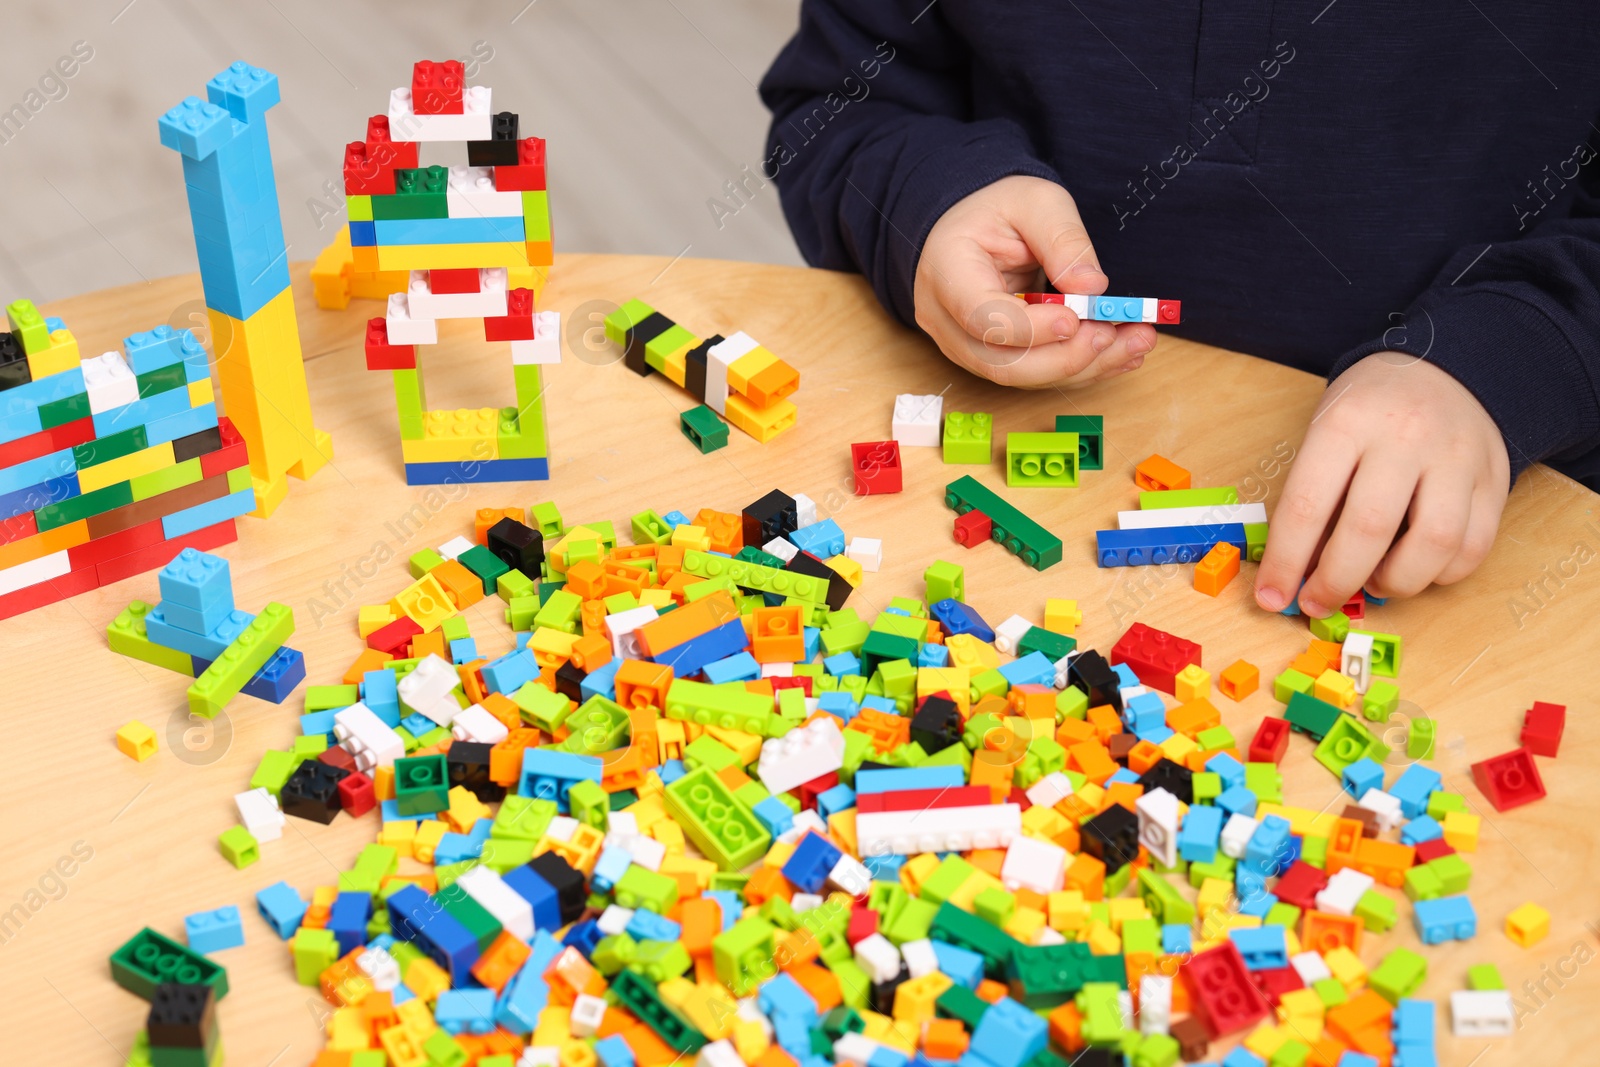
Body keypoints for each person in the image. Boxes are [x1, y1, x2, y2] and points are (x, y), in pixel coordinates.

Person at [759, 2, 1600, 618]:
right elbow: (836, 104)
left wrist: (1513, 357)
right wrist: (927, 200)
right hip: (1030, 457)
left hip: (1501, 538)